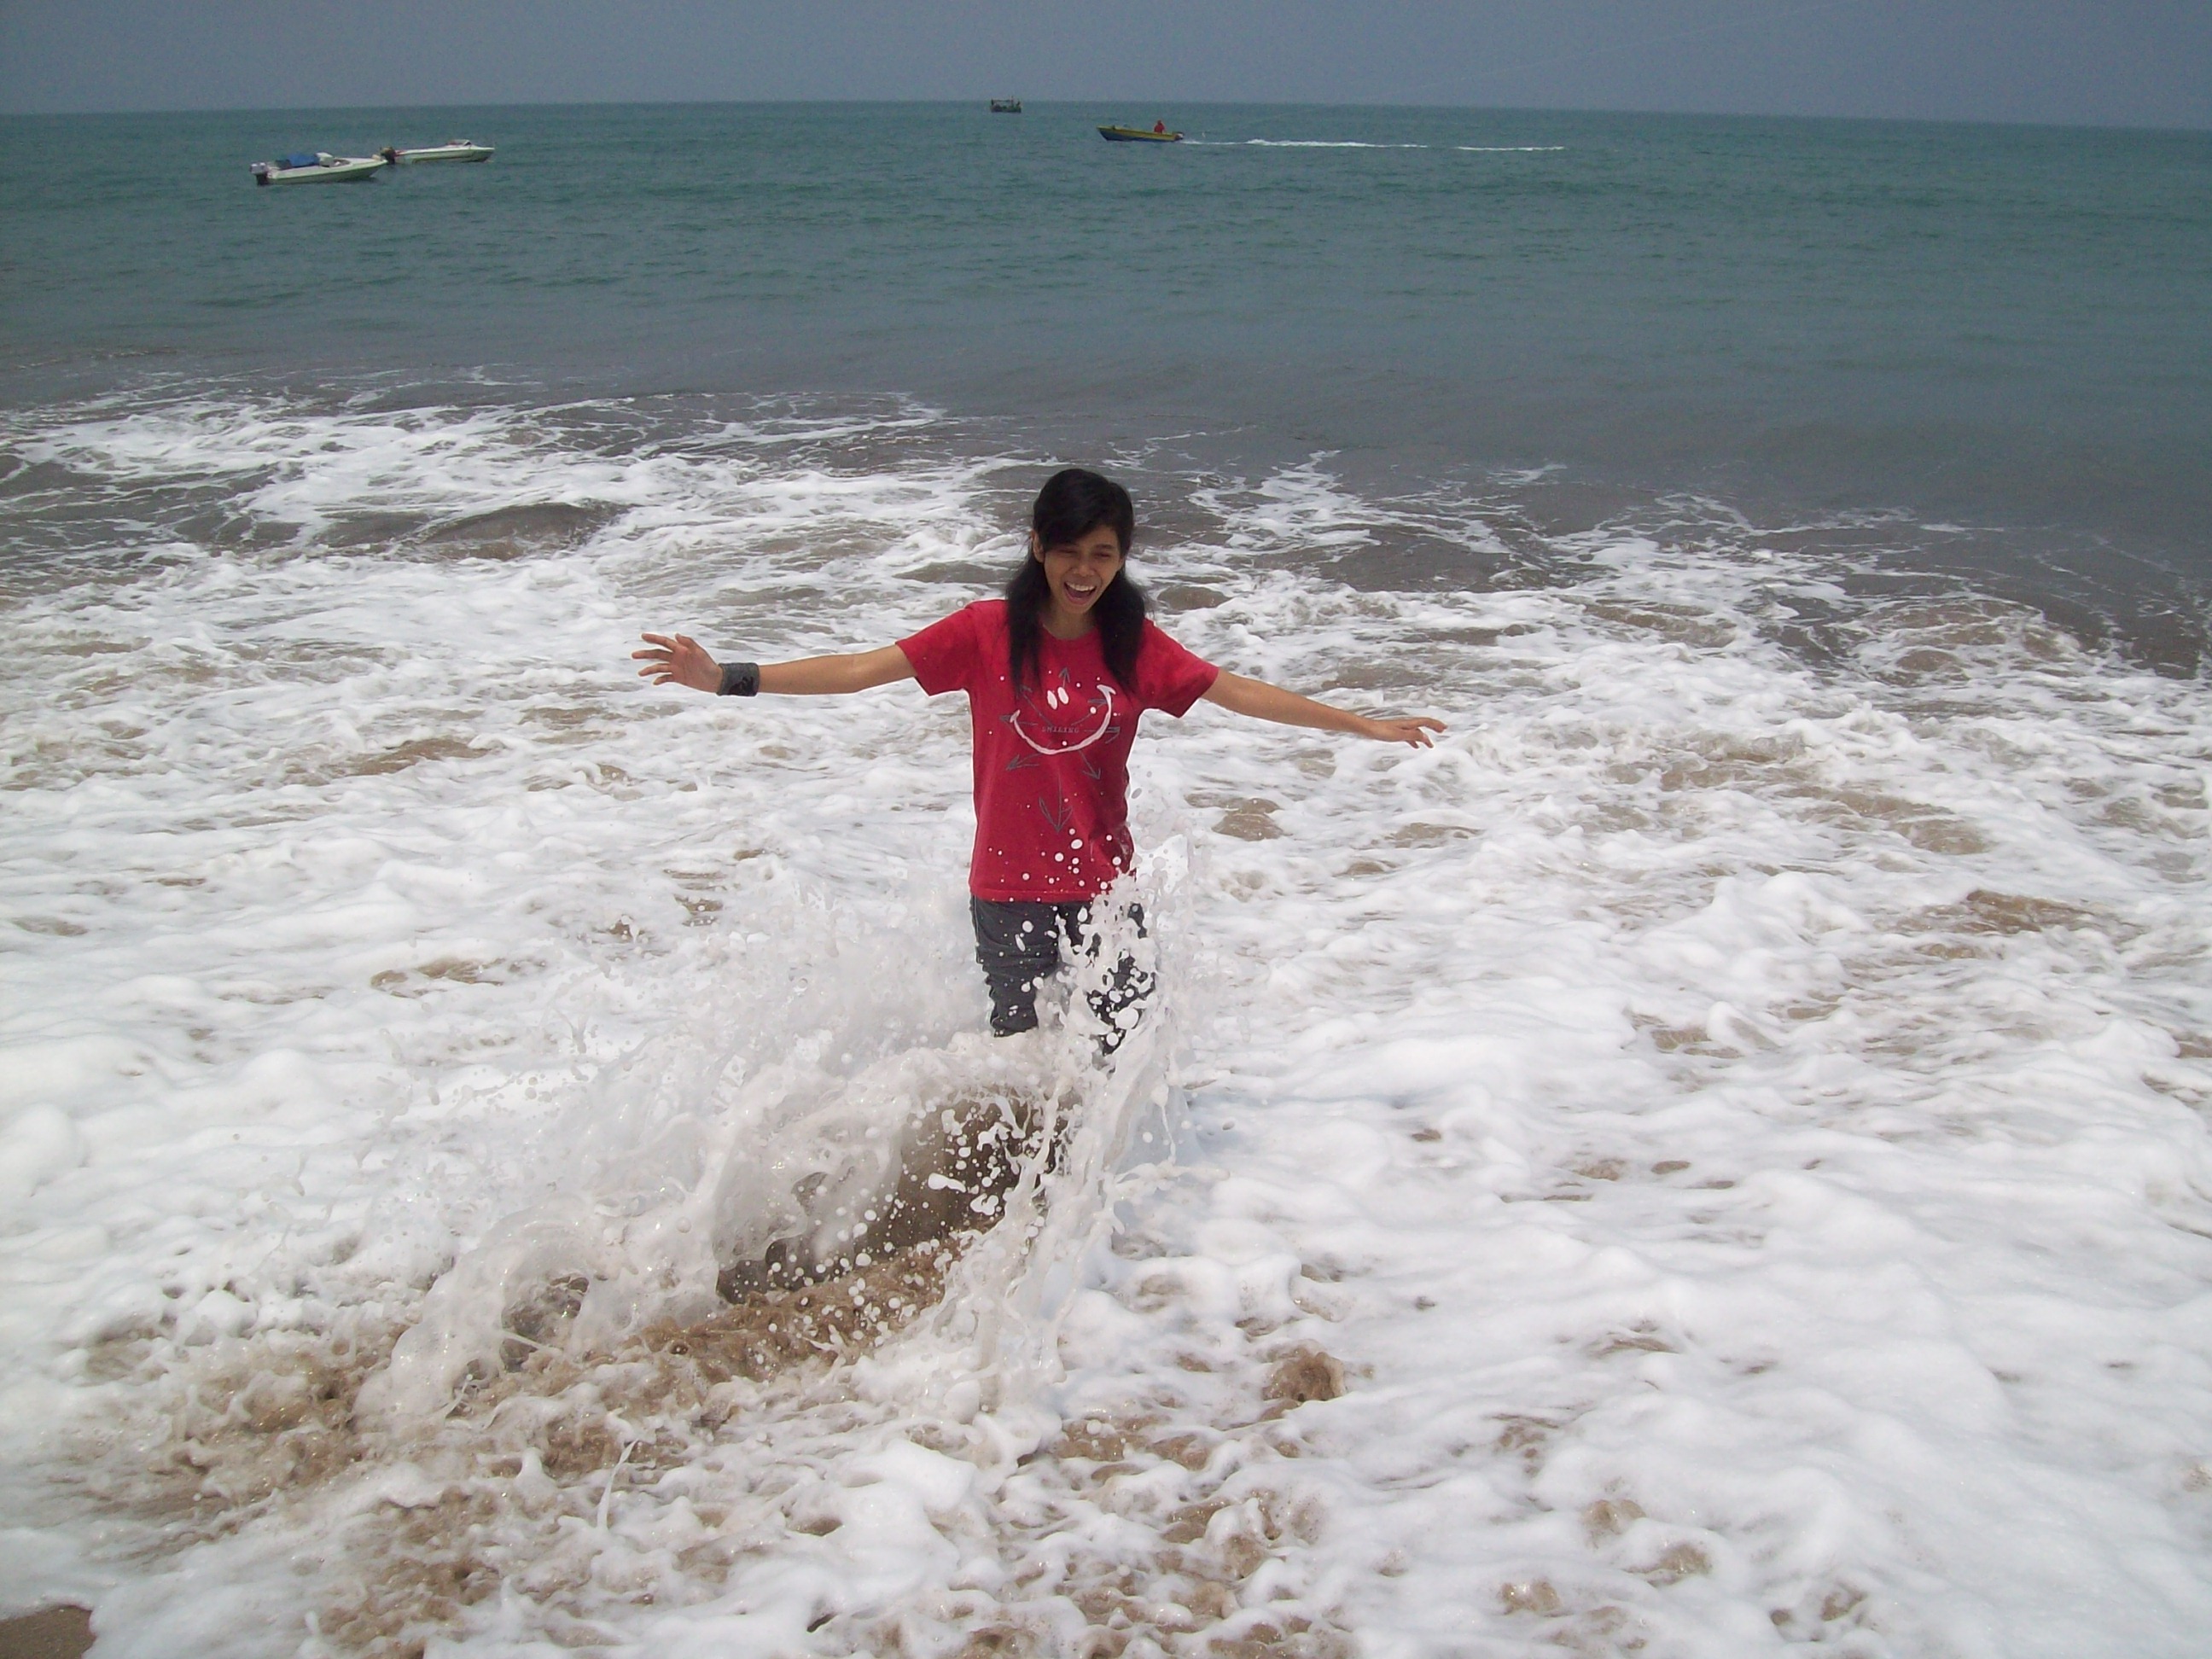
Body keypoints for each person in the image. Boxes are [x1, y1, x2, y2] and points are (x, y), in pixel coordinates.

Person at [634, 469, 1443, 1045]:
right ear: (1036, 547)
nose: (1084, 571)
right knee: (1019, 1058)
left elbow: (1237, 692)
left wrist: (1362, 724)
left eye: (1103, 553)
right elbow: (856, 671)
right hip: (1007, 891)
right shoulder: (984, 632)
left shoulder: (1134, 646)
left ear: (1122, 556)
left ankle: (1100, 1212)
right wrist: (726, 680)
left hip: (1103, 888)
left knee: (1118, 1045)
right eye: (1068, 551)